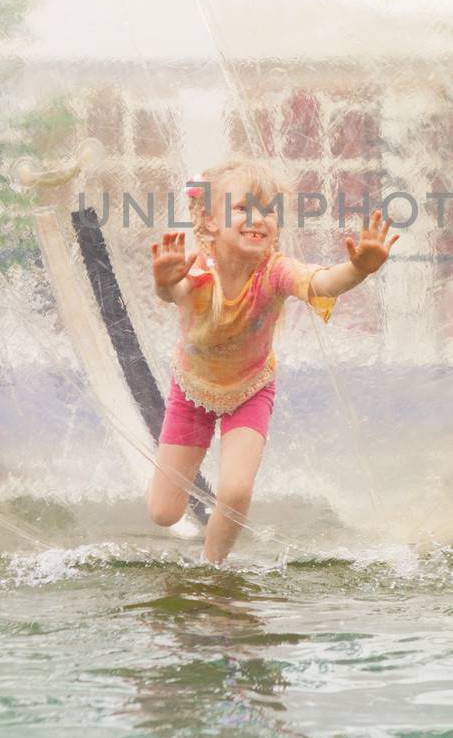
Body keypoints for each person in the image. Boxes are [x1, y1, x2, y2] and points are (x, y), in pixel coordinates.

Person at [145, 160, 397, 563]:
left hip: (250, 389)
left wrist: (358, 269)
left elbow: (320, 282)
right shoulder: (199, 268)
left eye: (269, 210)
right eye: (243, 208)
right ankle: (198, 547)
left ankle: (212, 572)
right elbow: (174, 293)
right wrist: (164, 281)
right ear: (210, 221)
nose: (258, 218)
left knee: (236, 489)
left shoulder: (275, 270)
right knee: (163, 512)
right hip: (192, 390)